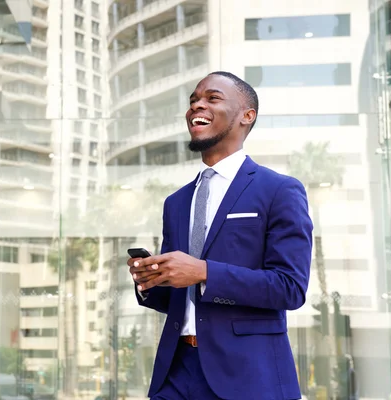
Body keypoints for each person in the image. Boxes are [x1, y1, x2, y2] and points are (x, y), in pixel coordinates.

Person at [128, 71, 313, 399]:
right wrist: (150, 281)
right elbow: (178, 299)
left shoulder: (279, 191)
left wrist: (203, 272)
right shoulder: (177, 202)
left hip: (247, 376)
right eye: (193, 100)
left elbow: (290, 288)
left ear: (247, 115)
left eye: (212, 98)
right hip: (175, 372)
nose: (197, 105)